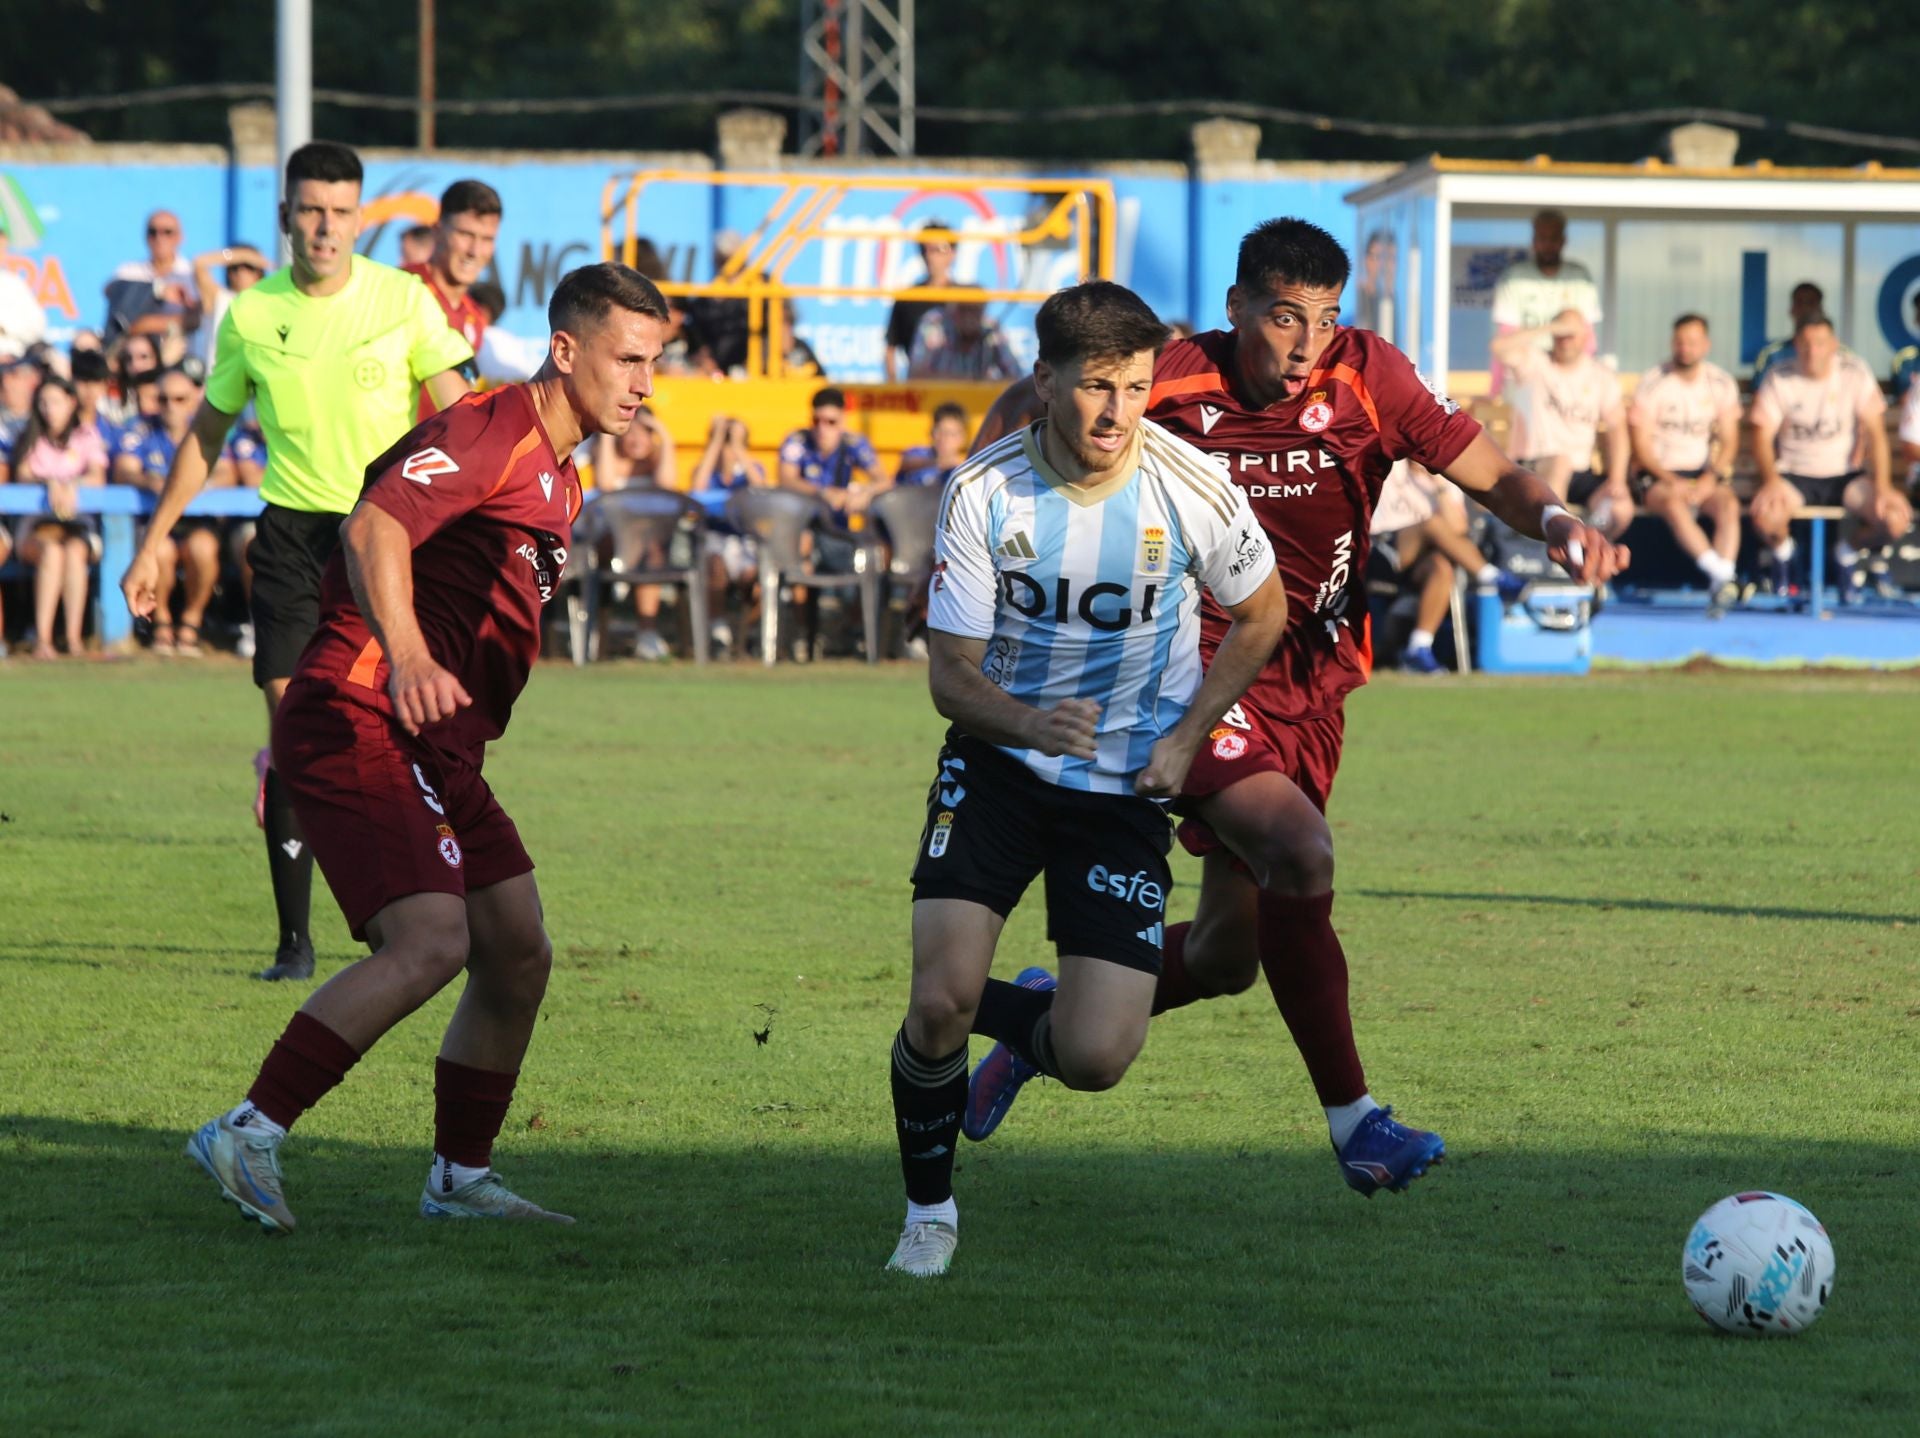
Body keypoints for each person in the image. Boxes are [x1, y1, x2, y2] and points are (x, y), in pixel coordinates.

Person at [964, 219, 1627, 1198]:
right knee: (1301, 849)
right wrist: (978, 503)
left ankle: (1036, 1021)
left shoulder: (1371, 377)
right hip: (1188, 667)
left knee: (1233, 952)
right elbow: (1037, 393)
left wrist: (1559, 519)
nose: (1306, 341)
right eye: (1283, 316)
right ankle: (1359, 1124)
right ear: (1237, 309)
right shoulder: (1175, 374)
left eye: (1324, 317)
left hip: (1314, 682)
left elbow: (1487, 472)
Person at [180, 261, 671, 1234]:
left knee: (517, 951)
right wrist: (406, 653)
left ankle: (457, 1177)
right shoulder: (494, 429)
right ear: (566, 350)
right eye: (628, 358)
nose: (644, 383)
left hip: (439, 743)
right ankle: (248, 1128)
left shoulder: (562, 478)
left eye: (654, 362)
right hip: (362, 706)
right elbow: (372, 527)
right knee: (432, 939)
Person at [886, 280, 1286, 1277]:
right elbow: (949, 675)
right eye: (1097, 386)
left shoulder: (1188, 485)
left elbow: (1265, 612)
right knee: (939, 1001)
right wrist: (1027, 723)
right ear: (1045, 380)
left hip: (1126, 793)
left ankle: (1021, 1019)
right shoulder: (985, 491)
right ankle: (928, 1213)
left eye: (1137, 387)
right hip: (999, 766)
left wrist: (1188, 738)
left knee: (1100, 1055)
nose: (1118, 412)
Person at [121, 141, 473, 983]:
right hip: (289, 541)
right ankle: (293, 944)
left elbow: (462, 421)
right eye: (310, 209)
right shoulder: (249, 314)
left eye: (341, 211)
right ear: (286, 216)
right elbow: (207, 435)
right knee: (295, 733)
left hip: (387, 537)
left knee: (400, 729)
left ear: (360, 220)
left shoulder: (404, 300)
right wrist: (151, 541)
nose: (325, 226)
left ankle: (419, 909)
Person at [1748, 313, 1903, 600]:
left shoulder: (1855, 373)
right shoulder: (1778, 376)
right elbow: (1761, 436)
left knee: (1894, 519)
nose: (1813, 351)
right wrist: (1770, 480)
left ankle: (1846, 554)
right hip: (1794, 475)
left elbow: (1877, 435)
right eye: (1806, 344)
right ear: (1796, 344)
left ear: (1834, 345)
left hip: (1845, 475)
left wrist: (1883, 487)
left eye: (1820, 343)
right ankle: (1785, 557)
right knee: (1765, 517)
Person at [1627, 314, 1747, 614]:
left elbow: (1730, 441)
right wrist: (1669, 479)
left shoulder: (1720, 383)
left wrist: (1710, 478)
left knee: (1728, 505)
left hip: (1701, 473)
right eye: (1680, 342)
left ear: (1705, 345)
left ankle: (1721, 582)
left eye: (1692, 342)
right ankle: (1725, 578)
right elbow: (1641, 447)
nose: (1685, 348)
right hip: (1659, 474)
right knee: (1673, 504)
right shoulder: (1654, 382)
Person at [113, 365, 233, 656]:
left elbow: (229, 473)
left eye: (179, 399)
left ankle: (191, 622)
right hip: (156, 522)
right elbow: (123, 470)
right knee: (161, 552)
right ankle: (162, 623)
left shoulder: (207, 427)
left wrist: (193, 484)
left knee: (203, 548)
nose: (170, 407)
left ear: (195, 397)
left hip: (197, 522)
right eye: (163, 399)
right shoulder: (140, 429)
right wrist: (147, 480)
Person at [1492, 309, 1633, 539]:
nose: (1565, 340)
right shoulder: (1535, 363)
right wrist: (1550, 327)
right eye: (1560, 334)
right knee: (1560, 462)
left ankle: (1584, 551)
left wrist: (1617, 479)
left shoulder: (1600, 376)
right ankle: (1553, 548)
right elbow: (1499, 348)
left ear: (1586, 337)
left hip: (1580, 473)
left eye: (1572, 334)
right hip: (1534, 466)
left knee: (1620, 507)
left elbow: (1617, 429)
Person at [12, 375, 108, 659]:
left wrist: (72, 485)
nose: (48, 409)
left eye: (54, 401)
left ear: (71, 403)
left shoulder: (87, 436)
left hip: (76, 527)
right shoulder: (30, 436)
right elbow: (24, 473)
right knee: (52, 553)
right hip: (36, 529)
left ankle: (74, 639)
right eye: (42, 402)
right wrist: (51, 483)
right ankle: (43, 640)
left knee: (75, 552)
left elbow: (97, 474)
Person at [593, 404, 680, 660]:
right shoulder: (610, 456)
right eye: (630, 431)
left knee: (650, 547)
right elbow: (606, 485)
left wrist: (664, 436)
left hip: (648, 546)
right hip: (609, 541)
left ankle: (647, 633)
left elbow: (666, 484)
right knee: (641, 544)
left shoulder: (656, 462)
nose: (635, 438)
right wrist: (608, 436)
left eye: (644, 432)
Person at [1490, 209, 1601, 394]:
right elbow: (1503, 339)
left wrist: (1585, 380)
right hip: (1526, 376)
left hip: (1568, 377)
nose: (1548, 245)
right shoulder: (1515, 278)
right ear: (1534, 241)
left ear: (1563, 241)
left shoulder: (1580, 278)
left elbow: (1588, 339)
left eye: (1554, 238)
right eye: (1542, 238)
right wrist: (1495, 389)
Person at [406, 179, 500, 358]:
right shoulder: (402, 289)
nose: (475, 251)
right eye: (465, 234)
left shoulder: (475, 317)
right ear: (438, 231)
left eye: (487, 239)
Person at [105, 209, 200, 346]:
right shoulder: (130, 270)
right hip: (134, 359)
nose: (159, 238)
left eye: (167, 232)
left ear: (180, 237)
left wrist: (144, 324)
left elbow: (196, 320)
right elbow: (111, 291)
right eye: (152, 232)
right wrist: (158, 290)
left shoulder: (191, 275)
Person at [884, 219, 962, 382]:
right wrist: (893, 386)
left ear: (952, 254)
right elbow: (891, 347)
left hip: (959, 387)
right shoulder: (908, 297)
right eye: (924, 249)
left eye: (937, 249)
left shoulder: (966, 299)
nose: (929, 256)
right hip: (920, 387)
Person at [190, 243, 270, 368]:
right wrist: (241, 256)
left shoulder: (269, 303)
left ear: (259, 272)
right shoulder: (220, 298)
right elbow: (199, 263)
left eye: (248, 266)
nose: (240, 272)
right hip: (218, 381)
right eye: (234, 266)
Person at [907, 298, 1019, 382]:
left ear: (983, 311)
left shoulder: (990, 328)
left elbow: (1015, 376)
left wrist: (988, 384)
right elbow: (916, 375)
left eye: (974, 310)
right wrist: (969, 382)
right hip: (939, 403)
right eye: (963, 310)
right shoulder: (935, 323)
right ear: (952, 310)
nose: (968, 317)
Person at [1752, 282, 1830, 379]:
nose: (1805, 309)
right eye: (1800, 303)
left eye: (1811, 303)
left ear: (1821, 309)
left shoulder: (1844, 355)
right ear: (1791, 309)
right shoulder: (1771, 355)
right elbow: (1760, 392)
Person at [0, 225, 48, 361]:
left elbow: (37, 324)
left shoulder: (13, 284)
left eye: (3, 249)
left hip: (15, 359)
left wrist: (5, 326)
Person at [895, 402, 970, 487]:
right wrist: (937, 463)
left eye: (951, 434)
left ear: (962, 438)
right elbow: (905, 463)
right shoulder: (918, 454)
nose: (944, 439)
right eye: (939, 431)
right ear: (931, 432)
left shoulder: (963, 470)